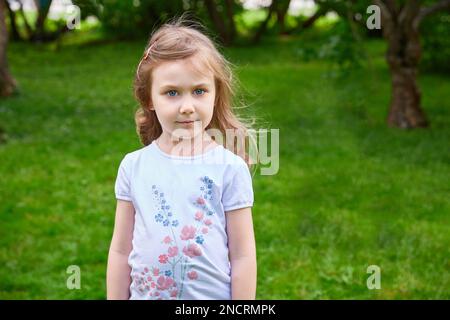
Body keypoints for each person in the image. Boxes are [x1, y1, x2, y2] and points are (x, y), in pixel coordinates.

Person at [106, 17, 257, 300]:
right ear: (150, 99)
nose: (187, 107)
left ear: (215, 95)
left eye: (199, 91)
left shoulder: (230, 169)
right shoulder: (133, 166)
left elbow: (243, 256)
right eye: (172, 93)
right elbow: (120, 250)